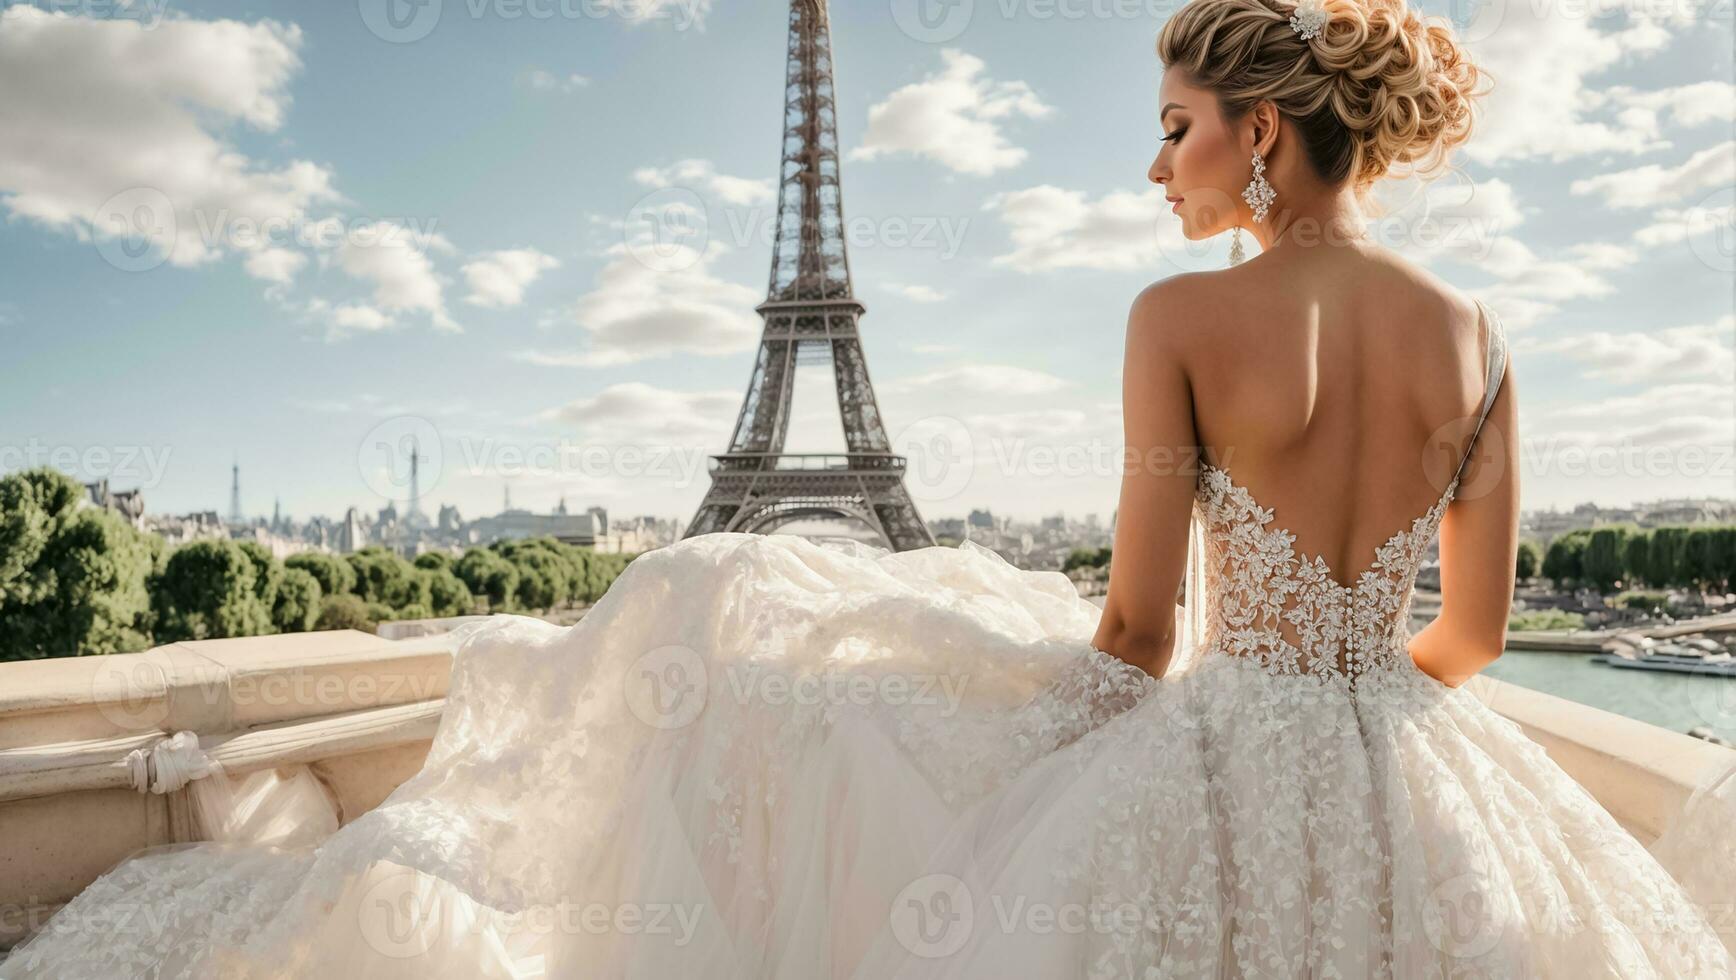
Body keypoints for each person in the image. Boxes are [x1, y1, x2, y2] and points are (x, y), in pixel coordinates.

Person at [4, 0, 1731, 976]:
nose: (1156, 162)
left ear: (1265, 131)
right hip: (1427, 765)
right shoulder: (1481, 334)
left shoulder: (1184, 320)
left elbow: (1135, 628)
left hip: (1224, 739)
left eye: (1179, 123)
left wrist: (1183, 714)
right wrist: (1356, 727)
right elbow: (1480, 635)